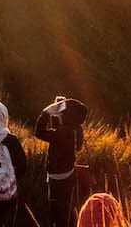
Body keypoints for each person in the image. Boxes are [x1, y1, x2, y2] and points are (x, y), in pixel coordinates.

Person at [34, 96, 89, 227]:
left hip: (57, 177)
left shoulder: (62, 133)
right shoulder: (77, 129)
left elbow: (39, 132)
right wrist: (60, 119)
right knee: (66, 209)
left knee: (56, 212)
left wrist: (46, 113)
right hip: (69, 173)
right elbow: (76, 146)